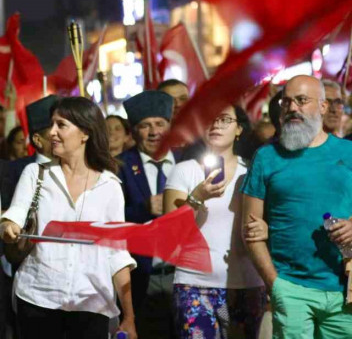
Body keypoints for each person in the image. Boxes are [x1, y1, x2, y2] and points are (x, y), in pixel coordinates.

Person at [0, 97, 137, 339]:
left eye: (61, 125)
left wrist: (129, 316)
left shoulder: (110, 186)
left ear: (85, 133)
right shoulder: (36, 173)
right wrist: (9, 227)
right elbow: (16, 215)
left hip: (92, 302)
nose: (51, 132)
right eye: (51, 125)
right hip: (38, 298)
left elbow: (117, 254)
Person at [242, 75, 352, 338]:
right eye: (286, 101)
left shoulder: (348, 152)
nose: (292, 107)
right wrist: (275, 284)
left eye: (302, 100)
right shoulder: (266, 158)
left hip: (345, 288)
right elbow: (250, 229)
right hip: (290, 288)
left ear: (323, 107)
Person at [163, 105, 266, 338]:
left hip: (246, 283)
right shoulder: (184, 171)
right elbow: (171, 232)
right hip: (195, 285)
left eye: (225, 119)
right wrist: (197, 197)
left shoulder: (251, 170)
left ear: (239, 129)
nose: (216, 124)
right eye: (210, 118)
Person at [117, 90, 177, 339]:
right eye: (145, 126)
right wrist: (143, 210)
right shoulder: (119, 166)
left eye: (160, 124)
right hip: (141, 277)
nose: (154, 132)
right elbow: (111, 220)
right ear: (133, 131)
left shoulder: (190, 162)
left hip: (184, 274)